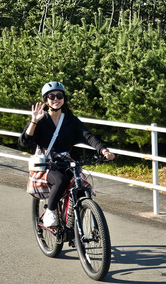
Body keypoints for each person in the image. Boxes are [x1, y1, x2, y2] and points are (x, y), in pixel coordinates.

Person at [19, 81, 115, 227]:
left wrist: (104, 150)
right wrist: (34, 121)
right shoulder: (41, 119)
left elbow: (88, 136)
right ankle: (50, 212)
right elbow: (24, 142)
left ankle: (77, 222)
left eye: (59, 95)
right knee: (61, 181)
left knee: (82, 186)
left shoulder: (71, 121)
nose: (56, 99)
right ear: (46, 100)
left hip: (65, 161)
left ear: (64, 98)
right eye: (52, 96)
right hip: (46, 164)